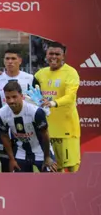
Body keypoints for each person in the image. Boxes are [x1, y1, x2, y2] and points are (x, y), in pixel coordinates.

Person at [0, 48, 40, 172]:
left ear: (20, 61)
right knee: (6, 167)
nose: (10, 61)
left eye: (13, 58)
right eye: (7, 58)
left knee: (25, 167)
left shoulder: (30, 79)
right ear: (3, 61)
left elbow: (37, 102)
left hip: (26, 129)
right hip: (5, 129)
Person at [34, 42, 81, 173]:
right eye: (51, 54)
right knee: (53, 169)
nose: (53, 57)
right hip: (47, 130)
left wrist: (53, 103)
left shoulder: (71, 73)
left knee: (72, 168)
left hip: (66, 129)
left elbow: (70, 96)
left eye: (57, 54)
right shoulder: (40, 74)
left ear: (63, 56)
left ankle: (77, 193)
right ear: (46, 55)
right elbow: (29, 90)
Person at [0, 81, 57, 172]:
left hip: (42, 151)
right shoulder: (2, 113)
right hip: (21, 152)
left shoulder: (35, 112)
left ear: (21, 96)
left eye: (14, 97)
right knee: (19, 184)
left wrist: (47, 157)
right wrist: (12, 159)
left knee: (52, 181)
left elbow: (45, 134)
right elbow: (4, 136)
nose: (11, 101)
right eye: (8, 98)